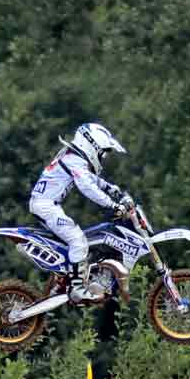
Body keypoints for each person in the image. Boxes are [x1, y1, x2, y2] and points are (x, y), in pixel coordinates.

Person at [29, 123, 130, 302]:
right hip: (46, 207)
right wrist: (113, 205)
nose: (103, 157)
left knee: (74, 241)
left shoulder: (73, 158)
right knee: (78, 240)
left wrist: (111, 188)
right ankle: (77, 288)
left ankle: (63, 280)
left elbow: (90, 179)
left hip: (45, 205)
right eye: (102, 152)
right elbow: (87, 187)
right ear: (92, 146)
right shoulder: (74, 160)